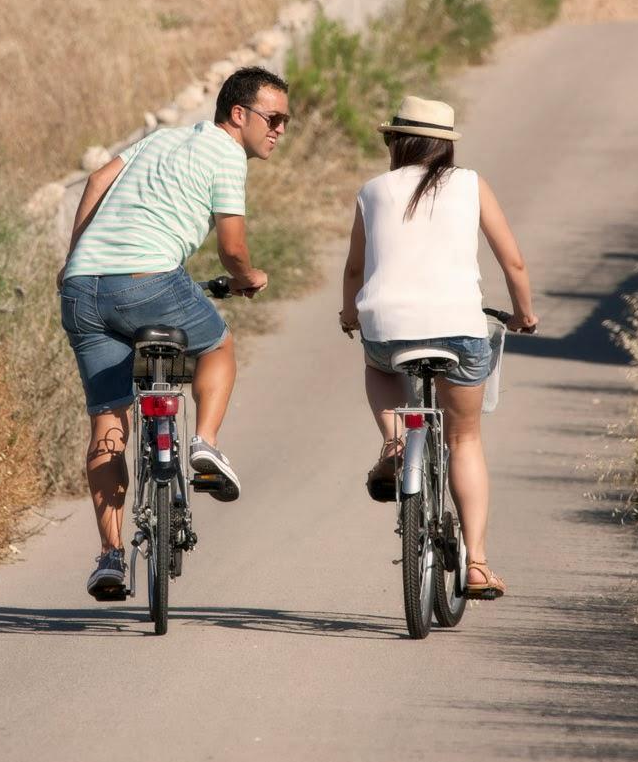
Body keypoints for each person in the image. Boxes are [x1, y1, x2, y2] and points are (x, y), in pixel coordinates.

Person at [60, 66, 289, 599]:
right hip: (148, 283)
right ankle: (204, 444)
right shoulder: (227, 156)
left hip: (81, 289)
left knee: (107, 424)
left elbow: (97, 180)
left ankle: (111, 556)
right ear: (240, 114)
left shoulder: (161, 139)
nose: (279, 130)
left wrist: (76, 257)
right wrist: (246, 278)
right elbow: (233, 250)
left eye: (285, 122)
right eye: (273, 118)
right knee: (218, 345)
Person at [338, 95, 537, 600]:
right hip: (459, 328)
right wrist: (524, 314)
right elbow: (512, 262)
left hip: (388, 329)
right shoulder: (471, 184)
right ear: (445, 147)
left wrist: (348, 314)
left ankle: (393, 440)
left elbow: (355, 271)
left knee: (376, 362)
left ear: (395, 141)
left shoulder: (372, 191)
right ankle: (478, 565)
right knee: (464, 439)